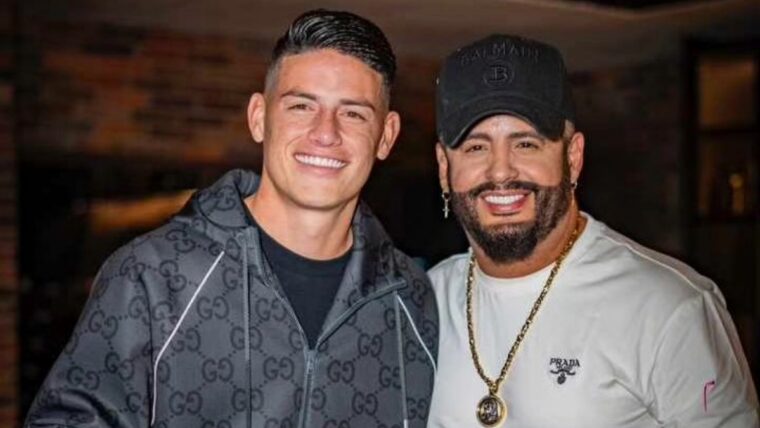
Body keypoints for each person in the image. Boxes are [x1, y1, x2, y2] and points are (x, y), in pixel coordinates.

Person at [25, 10, 438, 428]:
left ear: (386, 136)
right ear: (259, 117)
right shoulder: (151, 274)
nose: (325, 133)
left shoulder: (413, 299)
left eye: (353, 114)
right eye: (301, 106)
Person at [427, 33, 758, 427]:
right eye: (475, 147)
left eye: (526, 144)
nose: (500, 171)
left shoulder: (671, 307)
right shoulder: (422, 303)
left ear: (573, 157)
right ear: (445, 168)